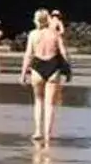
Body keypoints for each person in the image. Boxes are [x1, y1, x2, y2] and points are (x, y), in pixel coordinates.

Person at [20, 9, 71, 145]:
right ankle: (47, 134)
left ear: (37, 20)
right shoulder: (55, 34)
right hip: (53, 67)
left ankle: (38, 131)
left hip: (37, 67)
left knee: (38, 101)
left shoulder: (33, 35)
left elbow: (28, 55)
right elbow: (63, 53)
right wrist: (68, 71)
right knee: (50, 104)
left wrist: (23, 73)